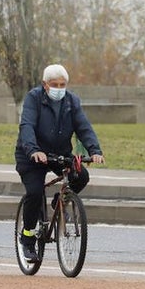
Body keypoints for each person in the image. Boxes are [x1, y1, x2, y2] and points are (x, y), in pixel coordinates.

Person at [15, 64, 104, 262]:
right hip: (31, 155)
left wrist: (95, 151)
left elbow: (83, 127)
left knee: (81, 176)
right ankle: (27, 237)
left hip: (59, 154)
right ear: (45, 85)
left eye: (62, 84)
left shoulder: (72, 101)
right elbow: (27, 125)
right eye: (54, 84)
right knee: (35, 193)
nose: (59, 88)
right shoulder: (34, 98)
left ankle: (59, 201)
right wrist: (33, 150)